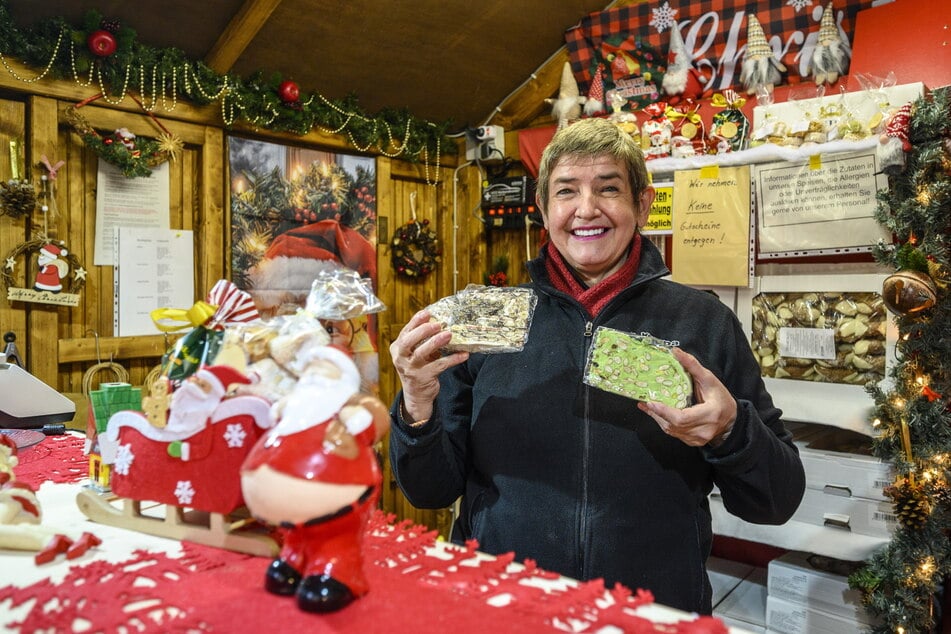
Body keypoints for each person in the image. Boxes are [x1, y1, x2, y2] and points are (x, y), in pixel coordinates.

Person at [387, 116, 805, 615]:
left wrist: (731, 431)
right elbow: (428, 490)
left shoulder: (703, 322)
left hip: (652, 613)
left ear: (641, 205)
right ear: (543, 208)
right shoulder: (486, 319)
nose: (587, 209)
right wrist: (416, 403)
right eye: (567, 191)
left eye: (608, 189)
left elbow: (776, 502)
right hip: (505, 608)